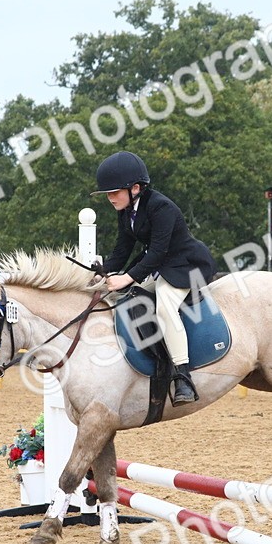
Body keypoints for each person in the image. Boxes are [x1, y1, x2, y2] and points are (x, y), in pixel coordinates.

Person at [92, 151, 217, 406]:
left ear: (135, 188)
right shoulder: (126, 211)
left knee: (165, 306)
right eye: (108, 193)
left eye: (114, 192)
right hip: (162, 266)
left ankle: (183, 376)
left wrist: (126, 278)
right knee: (128, 298)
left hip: (187, 266)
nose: (110, 198)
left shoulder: (161, 207)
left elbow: (158, 252)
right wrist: (101, 271)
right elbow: (122, 251)